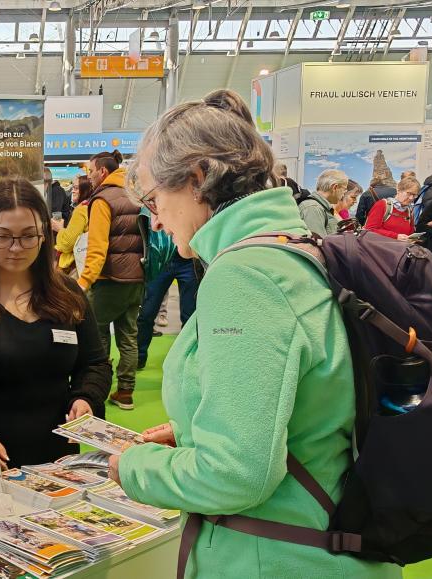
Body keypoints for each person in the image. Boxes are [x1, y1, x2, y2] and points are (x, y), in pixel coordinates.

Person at [110, 89, 400, 579]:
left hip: (280, 558)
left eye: (155, 197)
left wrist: (133, 469)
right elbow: (311, 408)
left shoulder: (247, 276)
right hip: (326, 543)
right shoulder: (297, 250)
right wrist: (197, 430)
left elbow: (236, 474)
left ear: (198, 178)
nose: (154, 219)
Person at [0, 178, 110, 468]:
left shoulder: (67, 293)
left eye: (28, 236)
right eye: (3, 236)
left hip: (58, 461)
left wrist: (85, 398)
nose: (16, 247)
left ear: (44, 235)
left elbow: (95, 363)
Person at [78, 150, 144, 411]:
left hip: (108, 281)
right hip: (137, 278)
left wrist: (83, 282)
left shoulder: (103, 200)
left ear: (103, 172)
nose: (89, 176)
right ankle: (126, 392)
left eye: (91, 171)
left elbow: (97, 248)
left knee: (99, 338)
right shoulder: (136, 194)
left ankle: (99, 390)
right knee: (129, 336)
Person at [135, 241, 198, 369]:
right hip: (160, 259)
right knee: (146, 313)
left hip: (189, 260)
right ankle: (138, 358)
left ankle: (187, 360)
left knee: (189, 317)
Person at [55, 176, 94, 273]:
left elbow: (66, 244)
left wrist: (59, 229)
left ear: (85, 190)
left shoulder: (82, 209)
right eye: (73, 187)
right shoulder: (92, 206)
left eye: (76, 188)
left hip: (75, 265)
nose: (73, 191)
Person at [364, 176, 421, 240]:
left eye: (414, 195)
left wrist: (411, 239)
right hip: (382, 248)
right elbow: (370, 229)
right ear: (399, 190)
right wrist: (396, 236)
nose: (411, 198)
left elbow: (410, 233)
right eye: (409, 193)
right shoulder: (382, 205)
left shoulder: (409, 211)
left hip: (400, 249)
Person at [299, 169, 347, 237]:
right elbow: (316, 244)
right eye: (344, 189)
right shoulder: (313, 208)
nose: (344, 193)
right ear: (335, 187)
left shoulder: (327, 208)